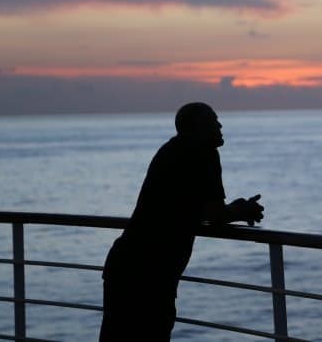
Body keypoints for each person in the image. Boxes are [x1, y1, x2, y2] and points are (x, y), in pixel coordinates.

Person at [99, 102, 264, 342]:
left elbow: (188, 208)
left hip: (127, 264)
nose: (219, 125)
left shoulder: (171, 150)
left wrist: (236, 209)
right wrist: (242, 210)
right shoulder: (204, 152)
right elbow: (215, 214)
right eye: (212, 120)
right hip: (150, 273)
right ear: (198, 127)